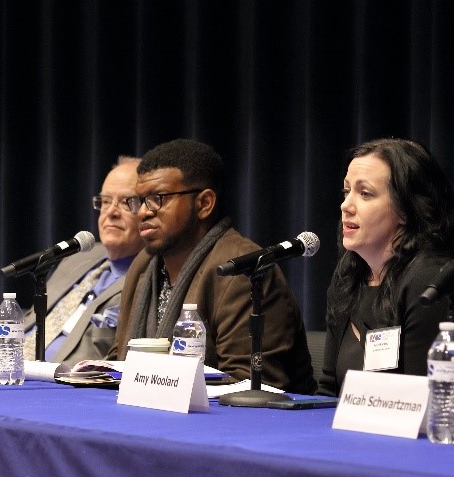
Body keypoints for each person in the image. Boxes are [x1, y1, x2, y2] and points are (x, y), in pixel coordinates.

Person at [109, 138, 316, 394]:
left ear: (204, 203)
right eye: (139, 200)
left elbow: (251, 385)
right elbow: (118, 357)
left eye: (157, 198)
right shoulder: (143, 266)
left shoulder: (241, 269)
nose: (142, 212)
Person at [317, 138, 454, 412]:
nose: (346, 205)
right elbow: (330, 390)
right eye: (346, 191)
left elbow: (420, 408)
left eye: (365, 194)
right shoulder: (349, 275)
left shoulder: (433, 281)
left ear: (405, 209)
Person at [18, 156, 144, 364]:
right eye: (105, 201)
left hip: (59, 379)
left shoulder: (152, 277)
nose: (111, 212)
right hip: (6, 367)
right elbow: (27, 324)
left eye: (126, 202)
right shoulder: (78, 257)